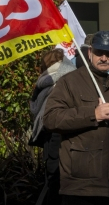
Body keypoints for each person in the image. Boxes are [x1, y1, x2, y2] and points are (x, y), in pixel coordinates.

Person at [43, 31, 109, 205]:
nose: (104, 58)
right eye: (99, 52)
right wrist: (92, 114)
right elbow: (51, 118)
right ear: (90, 52)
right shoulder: (69, 82)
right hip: (81, 185)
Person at [30, 49, 77, 205]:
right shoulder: (72, 78)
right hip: (68, 140)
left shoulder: (56, 81)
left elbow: (41, 110)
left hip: (56, 139)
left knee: (54, 184)